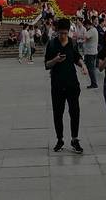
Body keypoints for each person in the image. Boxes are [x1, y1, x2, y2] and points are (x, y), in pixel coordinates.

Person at [44, 18, 88, 154]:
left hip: (72, 83)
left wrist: (83, 65)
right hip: (57, 84)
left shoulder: (72, 43)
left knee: (74, 112)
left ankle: (74, 139)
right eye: (60, 33)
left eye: (65, 33)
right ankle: (60, 139)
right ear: (56, 31)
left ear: (68, 31)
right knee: (58, 113)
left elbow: (76, 57)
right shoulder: (52, 44)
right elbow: (47, 64)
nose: (63, 36)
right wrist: (56, 60)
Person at [83, 20, 99, 89]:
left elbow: (85, 37)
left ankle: (94, 83)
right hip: (92, 52)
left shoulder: (91, 30)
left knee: (91, 69)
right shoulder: (94, 30)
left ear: (87, 25)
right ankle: (93, 83)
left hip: (90, 53)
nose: (85, 27)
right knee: (91, 68)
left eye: (85, 26)